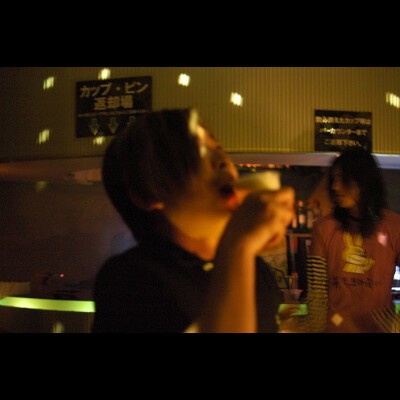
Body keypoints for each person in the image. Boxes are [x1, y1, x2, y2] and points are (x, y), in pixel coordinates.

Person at [92, 107, 295, 333]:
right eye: (196, 152)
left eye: (218, 149)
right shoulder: (128, 279)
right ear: (147, 193)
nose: (222, 160)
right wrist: (239, 247)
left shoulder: (257, 268)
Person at [305, 146, 400, 333]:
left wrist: (395, 323)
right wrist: (317, 326)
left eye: (343, 179)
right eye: (334, 179)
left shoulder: (394, 226)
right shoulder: (324, 228)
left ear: (364, 181)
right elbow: (317, 294)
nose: (335, 186)